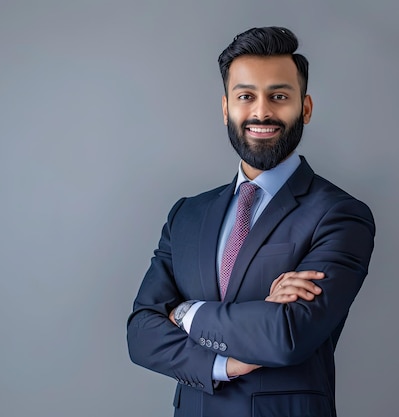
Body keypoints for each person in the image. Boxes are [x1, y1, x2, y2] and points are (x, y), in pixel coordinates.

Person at [127, 26, 375, 417]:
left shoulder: (340, 215)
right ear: (226, 108)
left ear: (305, 108)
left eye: (279, 96)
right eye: (246, 96)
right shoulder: (187, 215)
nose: (261, 112)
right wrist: (224, 364)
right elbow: (140, 333)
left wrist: (184, 313)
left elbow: (286, 335)